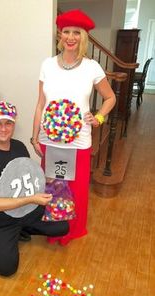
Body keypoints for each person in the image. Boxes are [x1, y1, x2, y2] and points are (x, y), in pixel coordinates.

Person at [31, 9, 116, 245]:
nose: (70, 37)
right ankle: (52, 230)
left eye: (76, 32)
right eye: (66, 31)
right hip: (49, 139)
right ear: (61, 35)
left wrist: (98, 118)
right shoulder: (47, 65)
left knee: (74, 188)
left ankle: (70, 231)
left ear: (83, 36)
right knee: (52, 185)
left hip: (78, 141)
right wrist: (34, 136)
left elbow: (110, 98)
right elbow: (40, 104)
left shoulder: (92, 67)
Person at [0, 101, 69, 277]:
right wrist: (32, 199)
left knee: (62, 227)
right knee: (7, 269)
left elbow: (29, 178)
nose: (3, 128)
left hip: (25, 211)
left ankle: (21, 229)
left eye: (8, 123)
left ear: (14, 124)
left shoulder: (19, 147)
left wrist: (48, 179)